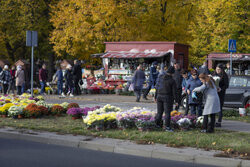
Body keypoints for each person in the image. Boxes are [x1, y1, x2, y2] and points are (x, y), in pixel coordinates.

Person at [155, 66, 177, 132]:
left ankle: (157, 125)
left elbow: (157, 87)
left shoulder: (160, 78)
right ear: (172, 73)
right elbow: (174, 92)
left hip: (159, 96)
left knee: (159, 112)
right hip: (167, 97)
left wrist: (155, 96)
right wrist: (176, 100)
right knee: (167, 113)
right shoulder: (172, 80)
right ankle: (167, 127)